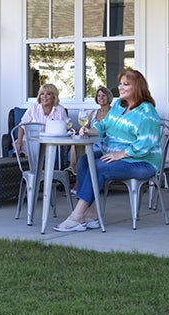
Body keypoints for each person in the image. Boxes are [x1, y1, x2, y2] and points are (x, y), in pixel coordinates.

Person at [54, 69, 162, 232]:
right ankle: (91, 213)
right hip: (115, 155)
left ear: (137, 87)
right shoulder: (118, 105)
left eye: (126, 84)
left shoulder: (147, 111)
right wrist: (89, 130)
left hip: (142, 162)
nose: (120, 87)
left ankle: (77, 216)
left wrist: (122, 154)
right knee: (84, 161)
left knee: (98, 166)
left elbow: (147, 142)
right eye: (120, 83)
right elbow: (103, 126)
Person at [67, 85, 114, 175]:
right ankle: (73, 168)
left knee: (82, 150)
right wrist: (73, 131)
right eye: (99, 96)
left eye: (103, 95)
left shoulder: (113, 112)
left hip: (105, 144)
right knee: (76, 142)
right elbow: (85, 127)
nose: (101, 98)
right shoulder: (94, 112)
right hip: (91, 142)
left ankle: (78, 172)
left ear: (109, 97)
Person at [15, 83, 68, 154]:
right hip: (32, 141)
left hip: (52, 142)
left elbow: (65, 128)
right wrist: (19, 142)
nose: (44, 96)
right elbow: (22, 126)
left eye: (48, 94)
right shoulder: (33, 108)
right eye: (42, 94)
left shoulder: (60, 110)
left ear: (54, 97)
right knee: (24, 149)